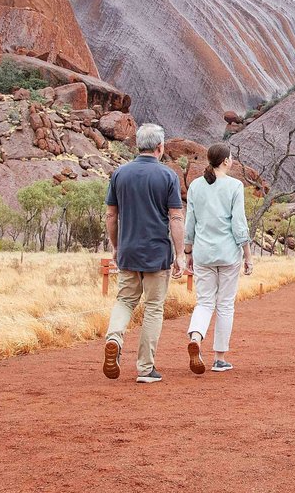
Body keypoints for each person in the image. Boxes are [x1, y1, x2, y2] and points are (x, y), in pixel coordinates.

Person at [102, 123, 185, 384]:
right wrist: (180, 254)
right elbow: (176, 218)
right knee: (153, 308)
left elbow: (111, 215)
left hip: (128, 249)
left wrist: (116, 247)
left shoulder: (119, 174)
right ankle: (145, 368)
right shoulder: (168, 176)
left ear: (139, 145)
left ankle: (114, 337)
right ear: (160, 147)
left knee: (125, 300)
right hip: (157, 253)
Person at [183, 143, 252, 375]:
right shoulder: (235, 186)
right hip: (228, 253)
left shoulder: (195, 186)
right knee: (224, 305)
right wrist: (248, 255)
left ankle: (196, 337)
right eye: (230, 158)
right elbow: (238, 223)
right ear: (225, 161)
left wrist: (188, 251)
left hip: (203, 253)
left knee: (204, 302)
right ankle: (219, 358)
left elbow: (190, 221)